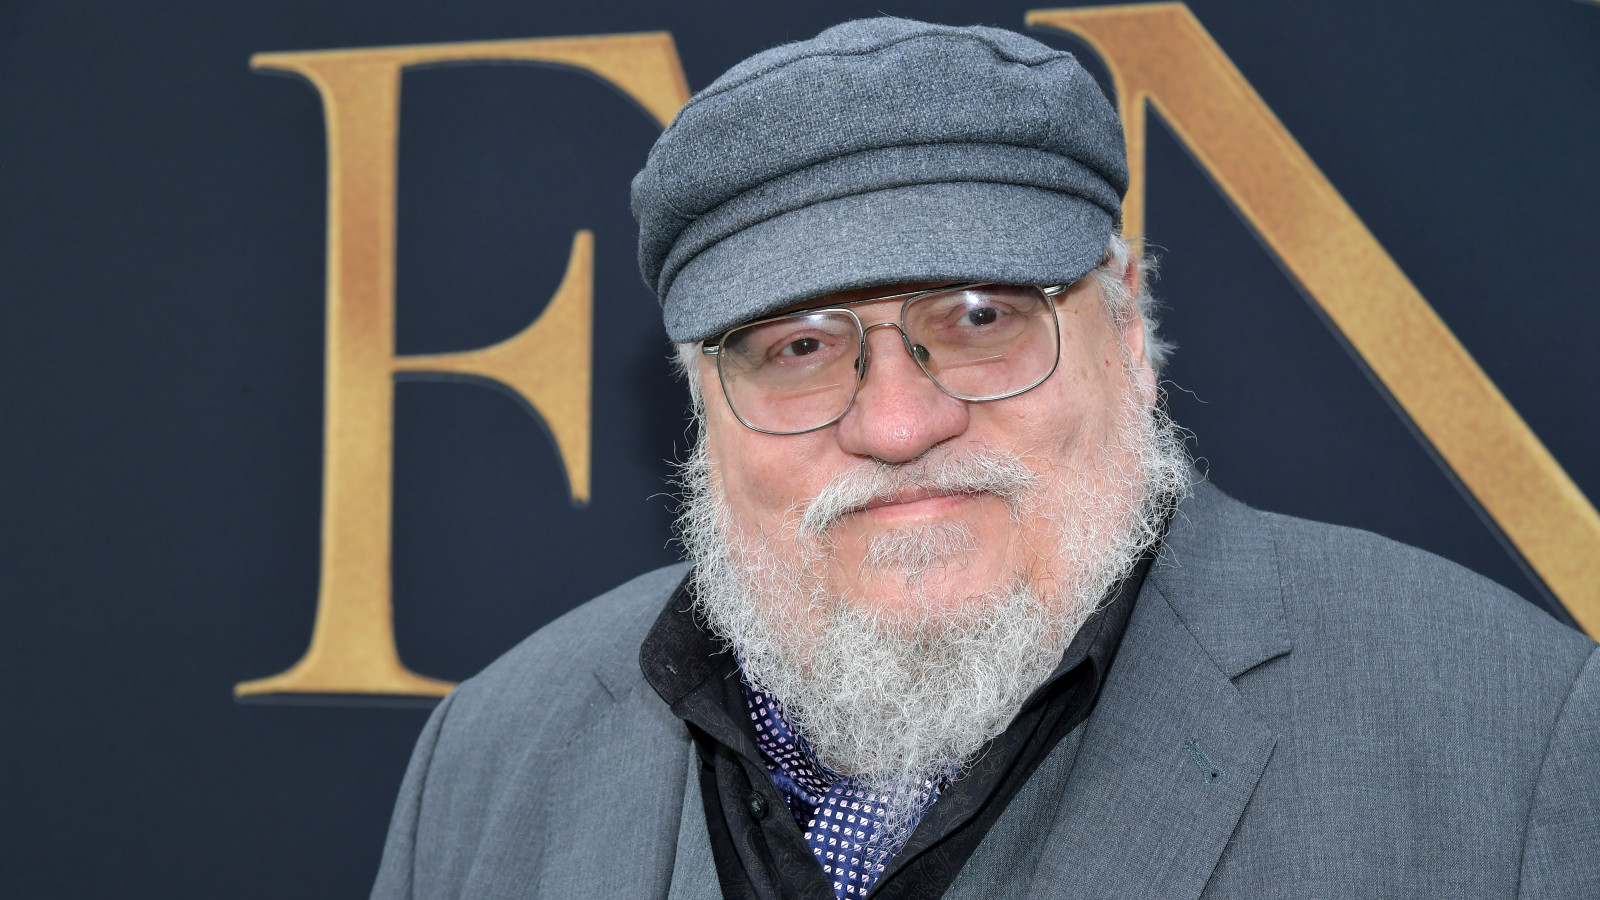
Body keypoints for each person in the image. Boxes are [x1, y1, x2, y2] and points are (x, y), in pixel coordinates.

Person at [369, 18, 1599, 899]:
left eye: (978, 320)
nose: (898, 426)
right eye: (799, 346)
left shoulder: (1515, 744)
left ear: (1128, 333)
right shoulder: (491, 761)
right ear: (703, 399)